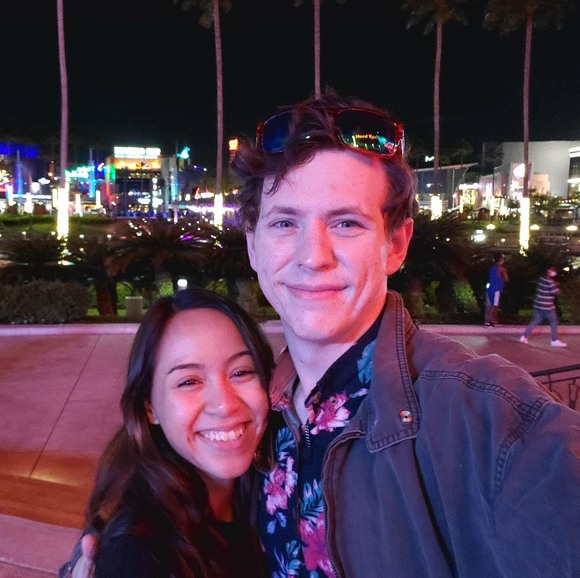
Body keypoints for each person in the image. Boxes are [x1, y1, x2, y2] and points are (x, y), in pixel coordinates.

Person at [64, 92, 580, 577]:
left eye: (346, 224)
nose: (313, 257)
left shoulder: (491, 422)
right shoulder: (257, 416)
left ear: (396, 244)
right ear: (253, 244)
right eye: (285, 223)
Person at [61, 288, 274, 577]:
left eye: (241, 372)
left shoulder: (278, 478)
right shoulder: (139, 552)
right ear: (150, 408)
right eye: (189, 381)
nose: (224, 405)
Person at [520, 266, 567, 347]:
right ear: (552, 273)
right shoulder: (551, 282)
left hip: (538, 305)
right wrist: (557, 286)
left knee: (535, 321)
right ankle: (554, 340)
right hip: (547, 306)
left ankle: (524, 336)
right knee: (554, 321)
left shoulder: (541, 279)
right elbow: (556, 292)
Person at [483, 252, 508, 326]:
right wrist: (504, 274)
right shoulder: (501, 269)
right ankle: (488, 321)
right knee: (494, 305)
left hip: (491, 288)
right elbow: (506, 279)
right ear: (500, 260)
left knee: (491, 304)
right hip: (496, 288)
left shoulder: (492, 268)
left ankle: (491, 320)